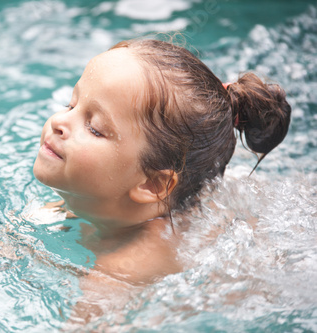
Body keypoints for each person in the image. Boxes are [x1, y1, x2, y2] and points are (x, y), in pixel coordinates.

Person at [33, 37, 291, 321]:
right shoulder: (91, 197)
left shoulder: (123, 269)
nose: (59, 122)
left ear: (152, 185)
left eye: (94, 128)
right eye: (72, 105)